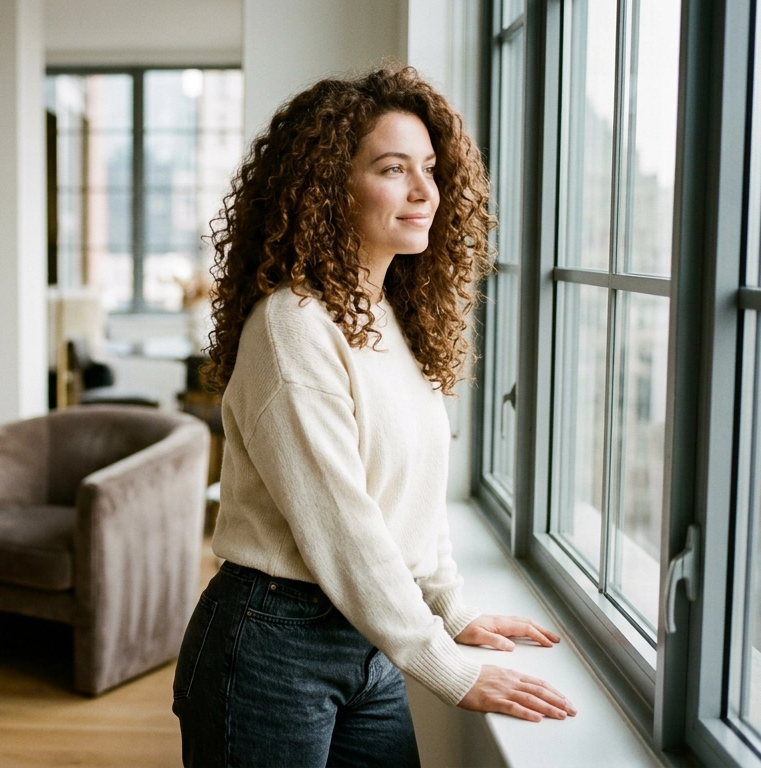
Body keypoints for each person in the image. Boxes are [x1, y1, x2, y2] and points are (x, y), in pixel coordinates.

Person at [172, 66, 575, 767]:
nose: (425, 192)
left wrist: (455, 611)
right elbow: (342, 527)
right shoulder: (292, 325)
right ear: (330, 186)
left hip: (371, 637)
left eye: (429, 168)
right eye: (394, 169)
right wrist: (447, 665)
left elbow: (415, 500)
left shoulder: (392, 318)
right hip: (273, 641)